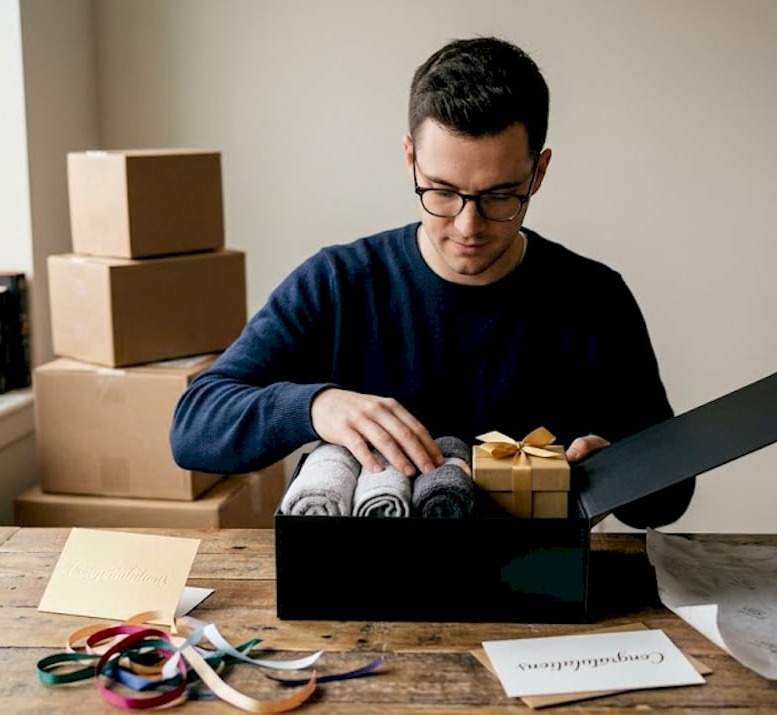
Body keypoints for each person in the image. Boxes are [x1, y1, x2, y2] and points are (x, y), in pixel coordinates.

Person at [170, 36, 694, 528]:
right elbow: (193, 428)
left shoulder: (594, 299)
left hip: (535, 596)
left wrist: (620, 473)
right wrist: (314, 407)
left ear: (539, 172)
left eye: (500, 196)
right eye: (442, 192)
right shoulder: (337, 284)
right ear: (410, 159)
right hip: (366, 596)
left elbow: (671, 499)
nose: (468, 226)